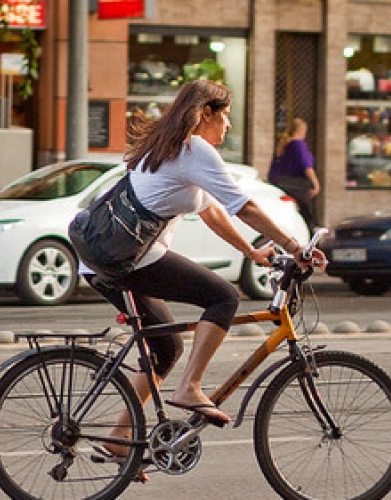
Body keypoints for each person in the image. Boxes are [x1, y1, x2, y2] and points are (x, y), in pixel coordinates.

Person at [90, 80, 325, 463]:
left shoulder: (169, 145)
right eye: (226, 115)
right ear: (205, 114)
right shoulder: (194, 148)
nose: (228, 125)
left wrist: (250, 250)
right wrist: (296, 247)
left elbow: (211, 209)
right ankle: (191, 388)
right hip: (126, 258)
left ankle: (119, 438)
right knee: (224, 296)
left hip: (104, 256)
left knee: (167, 348)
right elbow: (243, 206)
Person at [268, 117, 320, 232]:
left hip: (282, 183)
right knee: (306, 214)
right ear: (302, 130)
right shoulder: (298, 145)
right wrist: (316, 184)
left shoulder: (283, 144)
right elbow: (306, 166)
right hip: (298, 185)